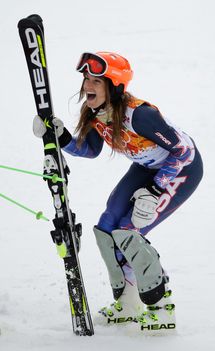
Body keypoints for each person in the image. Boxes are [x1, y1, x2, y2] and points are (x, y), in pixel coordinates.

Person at [33, 52, 203, 332]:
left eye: (97, 80)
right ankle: (128, 302)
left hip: (181, 169)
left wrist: (156, 188)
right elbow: (88, 150)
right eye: (86, 78)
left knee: (129, 231)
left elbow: (183, 150)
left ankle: (161, 308)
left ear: (114, 86)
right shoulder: (96, 113)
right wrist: (59, 136)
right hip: (147, 167)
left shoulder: (140, 116)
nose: (88, 85)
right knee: (107, 227)